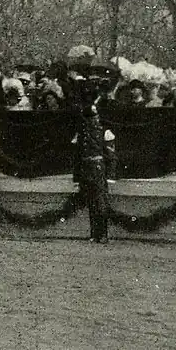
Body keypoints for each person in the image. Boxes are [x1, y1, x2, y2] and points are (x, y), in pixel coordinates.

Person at [73, 102, 117, 244]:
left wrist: (110, 176)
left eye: (96, 116)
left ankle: (103, 234)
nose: (94, 120)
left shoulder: (105, 132)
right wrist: (77, 178)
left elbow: (111, 156)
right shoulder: (81, 134)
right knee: (91, 202)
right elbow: (77, 156)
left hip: (98, 169)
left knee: (100, 202)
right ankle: (94, 233)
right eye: (91, 117)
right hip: (86, 168)